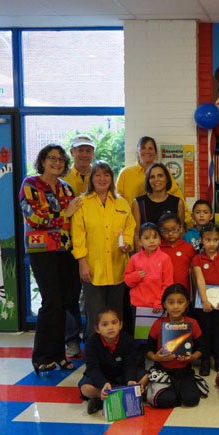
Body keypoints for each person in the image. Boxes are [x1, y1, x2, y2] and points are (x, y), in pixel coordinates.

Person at [19, 144, 82, 374]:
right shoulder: (31, 184)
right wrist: (63, 215)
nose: (56, 163)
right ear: (43, 161)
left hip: (66, 250)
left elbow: (73, 222)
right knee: (51, 302)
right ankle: (41, 356)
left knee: (65, 302)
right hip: (42, 250)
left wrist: (62, 218)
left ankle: (59, 354)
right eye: (51, 158)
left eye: (60, 159)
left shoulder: (66, 189)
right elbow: (34, 217)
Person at [71, 160, 135, 338]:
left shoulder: (121, 203)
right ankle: (94, 358)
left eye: (106, 174)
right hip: (92, 269)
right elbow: (78, 236)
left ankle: (115, 355)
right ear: (91, 178)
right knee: (95, 316)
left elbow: (130, 229)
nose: (102, 178)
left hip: (118, 267)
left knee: (116, 315)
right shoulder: (82, 203)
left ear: (112, 178)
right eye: (97, 174)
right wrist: (82, 262)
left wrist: (127, 243)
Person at [62, 134, 96, 357]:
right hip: (67, 248)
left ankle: (92, 338)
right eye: (80, 150)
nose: (84, 154)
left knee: (92, 297)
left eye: (88, 150)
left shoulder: (99, 175)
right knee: (70, 296)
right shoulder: (63, 178)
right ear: (72, 152)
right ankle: (72, 340)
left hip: (93, 248)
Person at [146, 284, 204, 407]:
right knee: (167, 401)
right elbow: (148, 349)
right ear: (164, 304)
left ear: (187, 303)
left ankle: (184, 386)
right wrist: (157, 358)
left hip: (184, 370)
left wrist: (192, 357)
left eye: (180, 302)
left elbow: (201, 347)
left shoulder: (193, 323)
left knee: (192, 400)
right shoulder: (158, 324)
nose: (176, 306)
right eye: (171, 302)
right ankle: (166, 388)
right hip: (163, 370)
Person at [78, 308, 145, 414]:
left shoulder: (128, 340)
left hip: (122, 374)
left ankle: (106, 399)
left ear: (120, 325)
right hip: (102, 376)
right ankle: (105, 396)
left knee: (145, 377)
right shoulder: (91, 343)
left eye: (114, 323)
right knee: (85, 388)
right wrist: (103, 383)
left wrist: (130, 380)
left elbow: (130, 363)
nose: (110, 327)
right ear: (97, 328)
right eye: (105, 324)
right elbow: (92, 368)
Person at [191, 223, 219, 375]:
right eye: (208, 240)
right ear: (201, 240)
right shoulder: (197, 259)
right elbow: (199, 280)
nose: (211, 243)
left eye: (215, 240)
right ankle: (205, 360)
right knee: (205, 332)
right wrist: (205, 301)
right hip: (204, 302)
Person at [116, 136, 185, 208]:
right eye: (143, 148)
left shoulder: (164, 172)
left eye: (150, 148)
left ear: (155, 153)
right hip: (131, 218)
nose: (147, 151)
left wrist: (186, 217)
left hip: (160, 217)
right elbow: (117, 199)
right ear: (138, 152)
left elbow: (177, 195)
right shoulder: (125, 173)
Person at [131, 162, 185, 247]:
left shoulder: (178, 202)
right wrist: (141, 257)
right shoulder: (138, 203)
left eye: (160, 176)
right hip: (147, 253)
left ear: (167, 179)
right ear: (148, 181)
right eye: (152, 177)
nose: (156, 179)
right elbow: (137, 233)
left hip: (170, 252)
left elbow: (181, 232)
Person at [124, 222, 173, 311]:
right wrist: (136, 276)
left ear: (160, 240)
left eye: (155, 237)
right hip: (137, 305)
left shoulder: (165, 259)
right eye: (147, 238)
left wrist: (160, 302)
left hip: (158, 305)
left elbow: (168, 284)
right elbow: (127, 281)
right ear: (140, 242)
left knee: (156, 325)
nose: (151, 241)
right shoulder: (134, 258)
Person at [159, 212, 196, 296]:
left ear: (180, 228)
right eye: (166, 230)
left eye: (174, 229)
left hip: (184, 293)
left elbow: (194, 272)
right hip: (162, 293)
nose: (170, 233)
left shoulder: (189, 248)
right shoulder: (157, 248)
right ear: (160, 231)